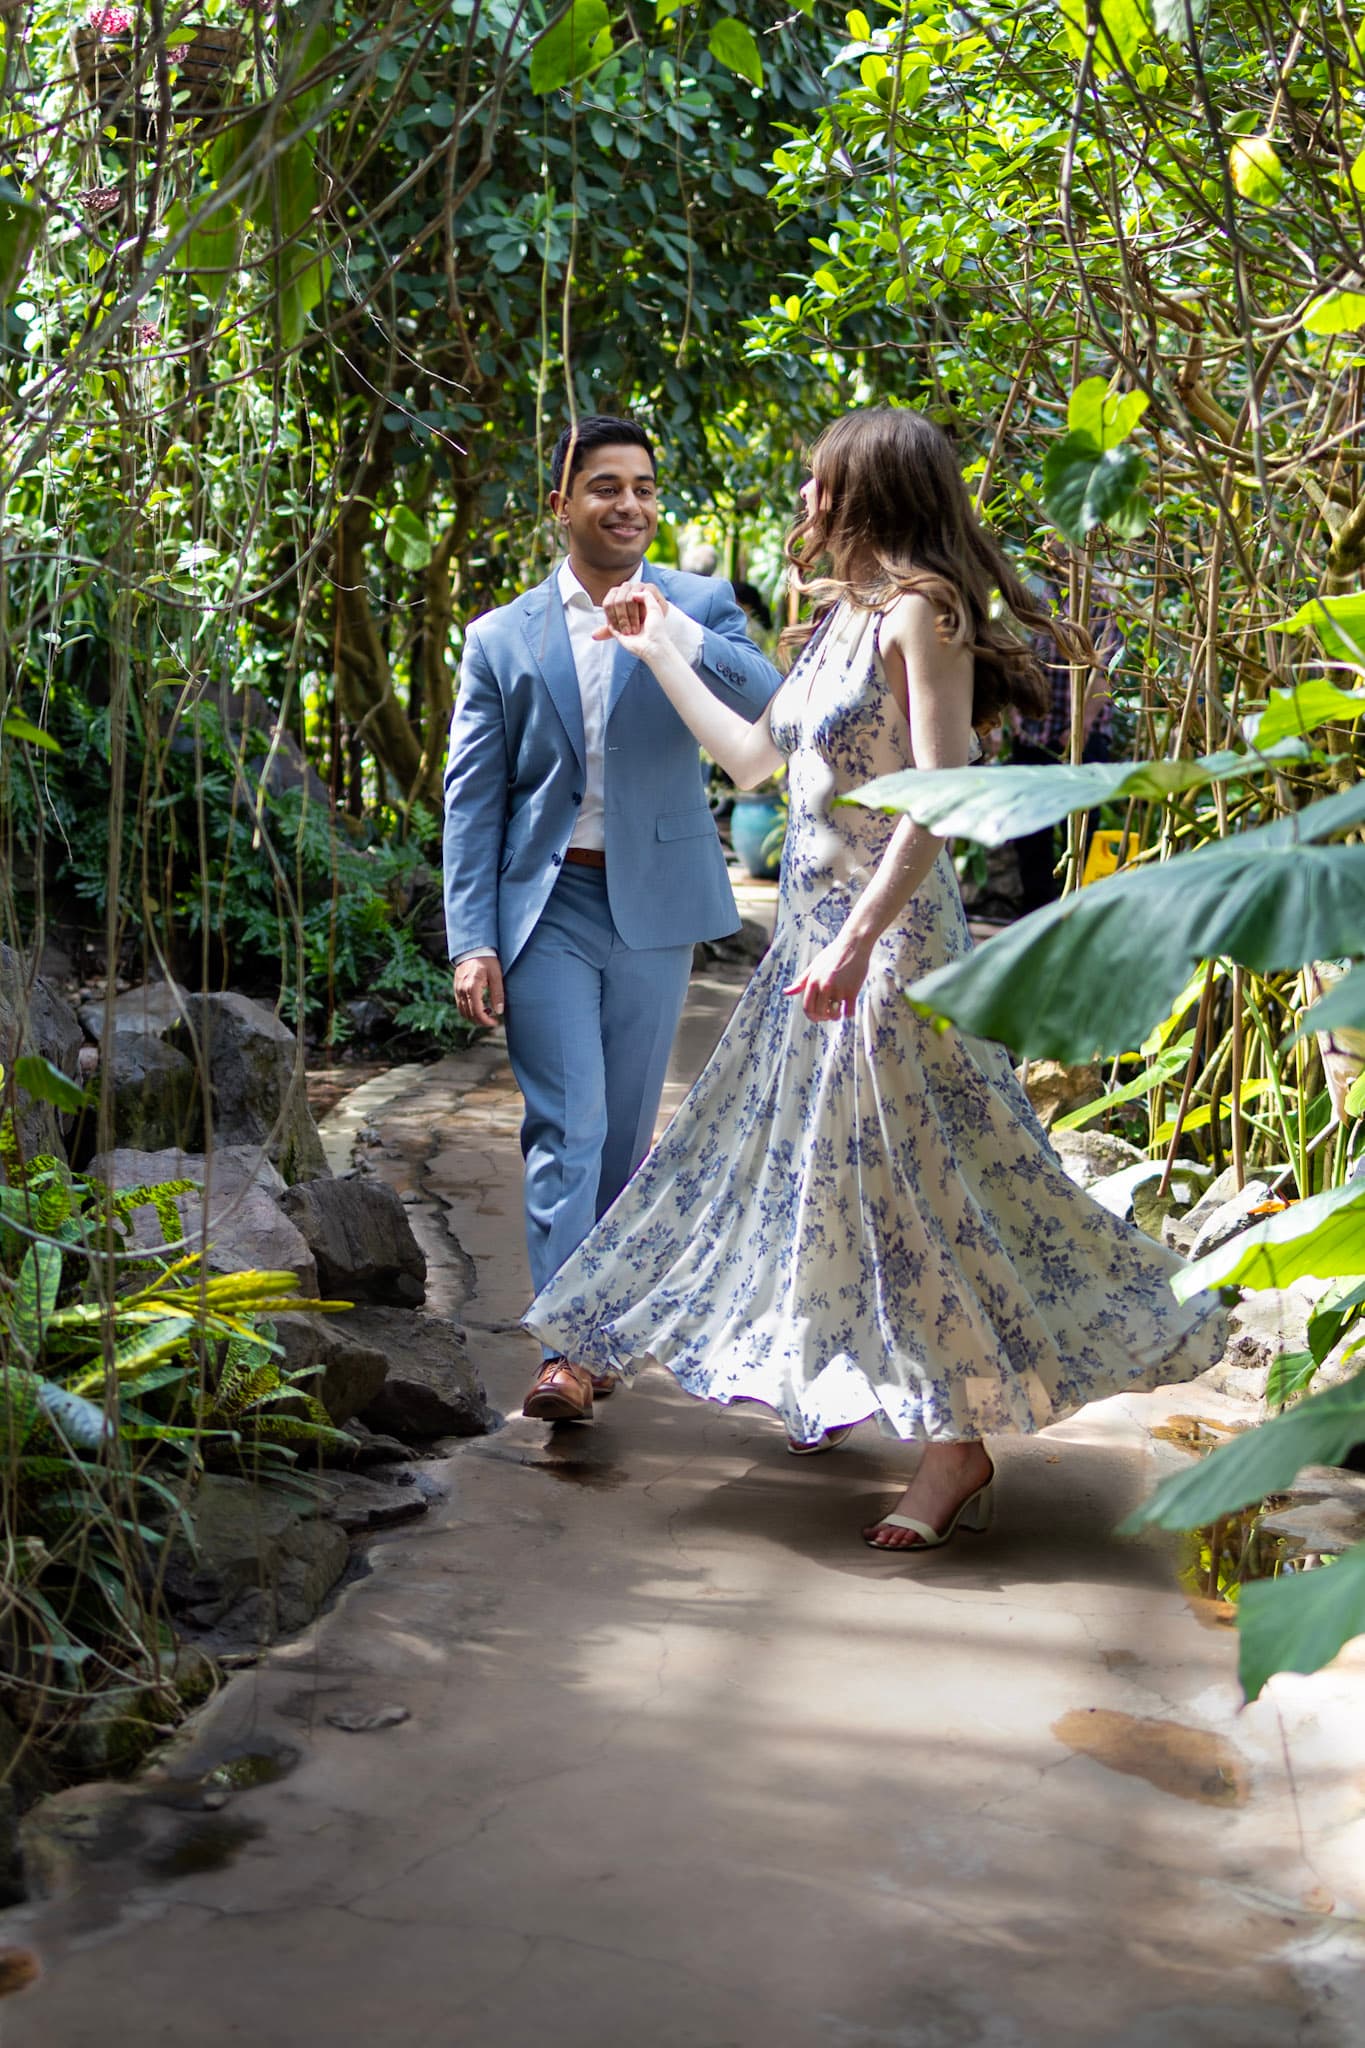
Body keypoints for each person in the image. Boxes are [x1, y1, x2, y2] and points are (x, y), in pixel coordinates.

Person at [523, 406, 1226, 1550]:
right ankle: (847, 1378)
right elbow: (754, 758)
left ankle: (957, 1444)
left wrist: (857, 943)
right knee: (815, 1178)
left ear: (868, 489)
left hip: (890, 951)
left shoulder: (921, 613)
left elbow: (939, 796)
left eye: (818, 480)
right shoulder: (844, 615)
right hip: (811, 945)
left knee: (924, 1186)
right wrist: (656, 649)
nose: (805, 498)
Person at [442, 415, 782, 1425]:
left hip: (654, 905)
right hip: (545, 907)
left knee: (626, 1136)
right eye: (604, 486)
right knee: (569, 1125)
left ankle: (598, 1333)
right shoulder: (501, 637)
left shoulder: (701, 603)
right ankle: (569, 1351)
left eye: (641, 486)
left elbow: (771, 707)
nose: (627, 504)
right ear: (562, 504)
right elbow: (473, 799)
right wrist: (472, 938)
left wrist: (670, 629)